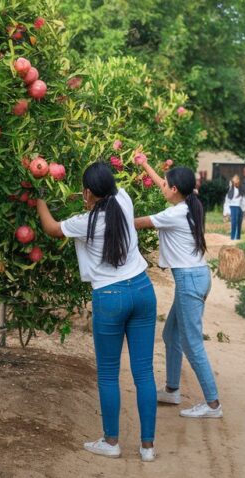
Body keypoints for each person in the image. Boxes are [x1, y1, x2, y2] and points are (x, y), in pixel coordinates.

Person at [35, 162, 157, 462]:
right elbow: (111, 194)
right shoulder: (125, 199)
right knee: (144, 373)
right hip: (143, 290)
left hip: (111, 297)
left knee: (108, 374)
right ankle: (147, 448)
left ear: (88, 192)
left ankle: (111, 441)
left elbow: (51, 228)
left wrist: (38, 196)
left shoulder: (85, 222)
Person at [134, 154, 222, 419]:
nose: (162, 186)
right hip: (195, 277)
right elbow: (163, 182)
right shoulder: (186, 203)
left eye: (166, 185)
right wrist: (144, 164)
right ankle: (172, 389)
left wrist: (108, 217)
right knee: (171, 335)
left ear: (174, 190)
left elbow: (138, 223)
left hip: (190, 280)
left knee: (191, 343)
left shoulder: (174, 213)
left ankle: (213, 404)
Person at [223, 174, 245, 240]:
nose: (236, 180)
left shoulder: (243, 190)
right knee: (234, 222)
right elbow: (227, 201)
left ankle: (237, 238)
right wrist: (226, 212)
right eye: (234, 179)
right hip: (233, 207)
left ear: (239, 180)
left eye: (237, 179)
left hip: (239, 208)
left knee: (239, 223)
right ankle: (233, 237)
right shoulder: (230, 190)